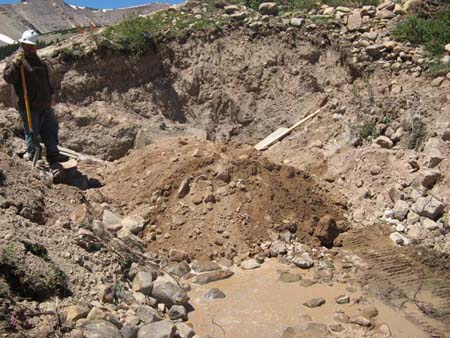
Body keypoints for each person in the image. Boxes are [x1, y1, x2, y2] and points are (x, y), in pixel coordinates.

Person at [3, 29, 68, 164]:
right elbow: (9, 78)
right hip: (29, 104)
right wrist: (15, 65)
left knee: (50, 128)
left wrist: (50, 95)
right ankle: (34, 156)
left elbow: (44, 78)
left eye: (34, 45)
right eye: (31, 46)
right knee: (32, 132)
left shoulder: (37, 59)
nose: (33, 48)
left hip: (44, 103)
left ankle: (53, 154)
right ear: (24, 44)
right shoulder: (16, 59)